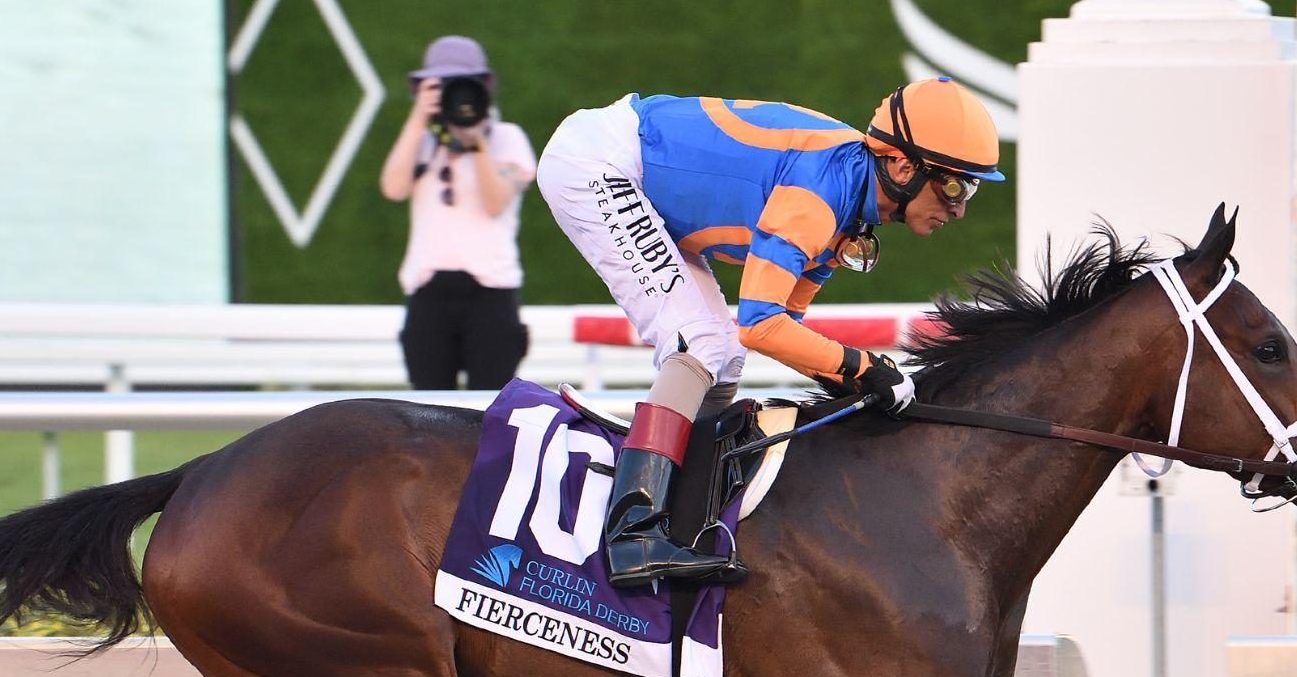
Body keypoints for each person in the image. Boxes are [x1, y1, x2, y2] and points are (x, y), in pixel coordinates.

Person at [537, 78, 1002, 587]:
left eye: (969, 189)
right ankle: (633, 529)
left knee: (724, 357)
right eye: (955, 186)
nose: (958, 209)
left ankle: (683, 518)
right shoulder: (819, 196)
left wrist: (859, 382)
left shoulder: (852, 207)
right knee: (702, 341)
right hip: (597, 164)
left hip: (630, 167)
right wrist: (865, 368)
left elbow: (785, 328)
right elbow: (759, 325)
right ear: (904, 166)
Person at [379, 36, 536, 391]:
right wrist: (418, 119)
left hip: (490, 292)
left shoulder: (506, 138)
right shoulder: (422, 143)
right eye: (440, 85)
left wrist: (475, 139)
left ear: (483, 87)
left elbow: (496, 202)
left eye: (462, 85)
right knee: (428, 413)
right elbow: (392, 188)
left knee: (490, 411)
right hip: (427, 292)